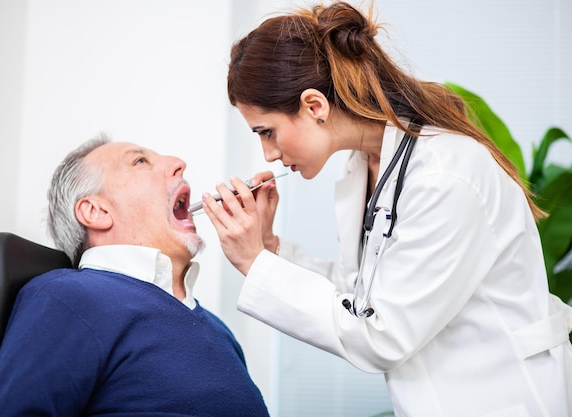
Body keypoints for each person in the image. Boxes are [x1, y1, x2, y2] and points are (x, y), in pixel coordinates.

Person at [200, 2, 572, 416]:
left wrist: (255, 264)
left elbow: (383, 334)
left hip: (505, 400)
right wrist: (270, 248)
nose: (267, 154)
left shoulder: (445, 175)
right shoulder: (365, 166)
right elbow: (362, 294)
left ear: (314, 106)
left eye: (267, 132)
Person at [0, 135, 270, 417]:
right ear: (95, 211)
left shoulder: (218, 329)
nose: (179, 163)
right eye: (140, 161)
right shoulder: (66, 298)